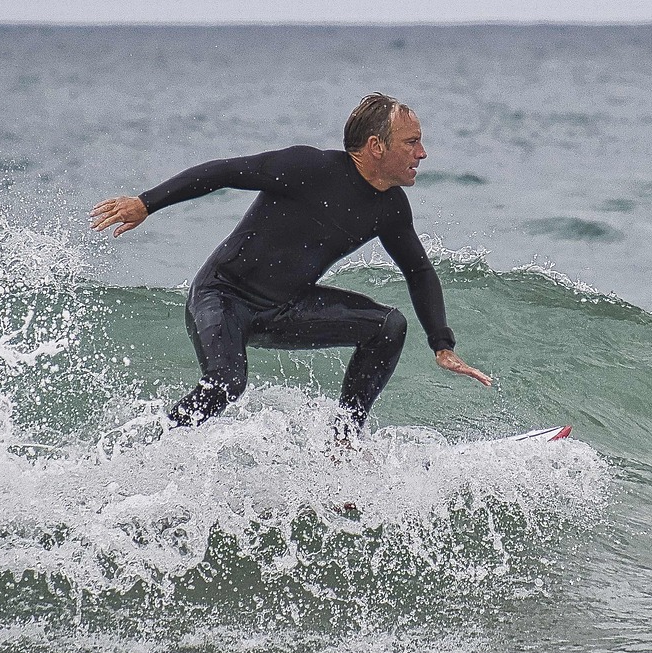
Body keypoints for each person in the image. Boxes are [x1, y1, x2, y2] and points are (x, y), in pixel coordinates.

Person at [89, 93, 490, 435]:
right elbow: (223, 172)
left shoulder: (390, 208)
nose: (422, 153)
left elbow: (418, 271)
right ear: (376, 146)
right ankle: (158, 445)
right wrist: (146, 203)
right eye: (412, 142)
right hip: (223, 296)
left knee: (388, 326)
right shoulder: (307, 168)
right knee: (226, 382)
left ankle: (343, 442)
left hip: (286, 307)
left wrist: (442, 343)